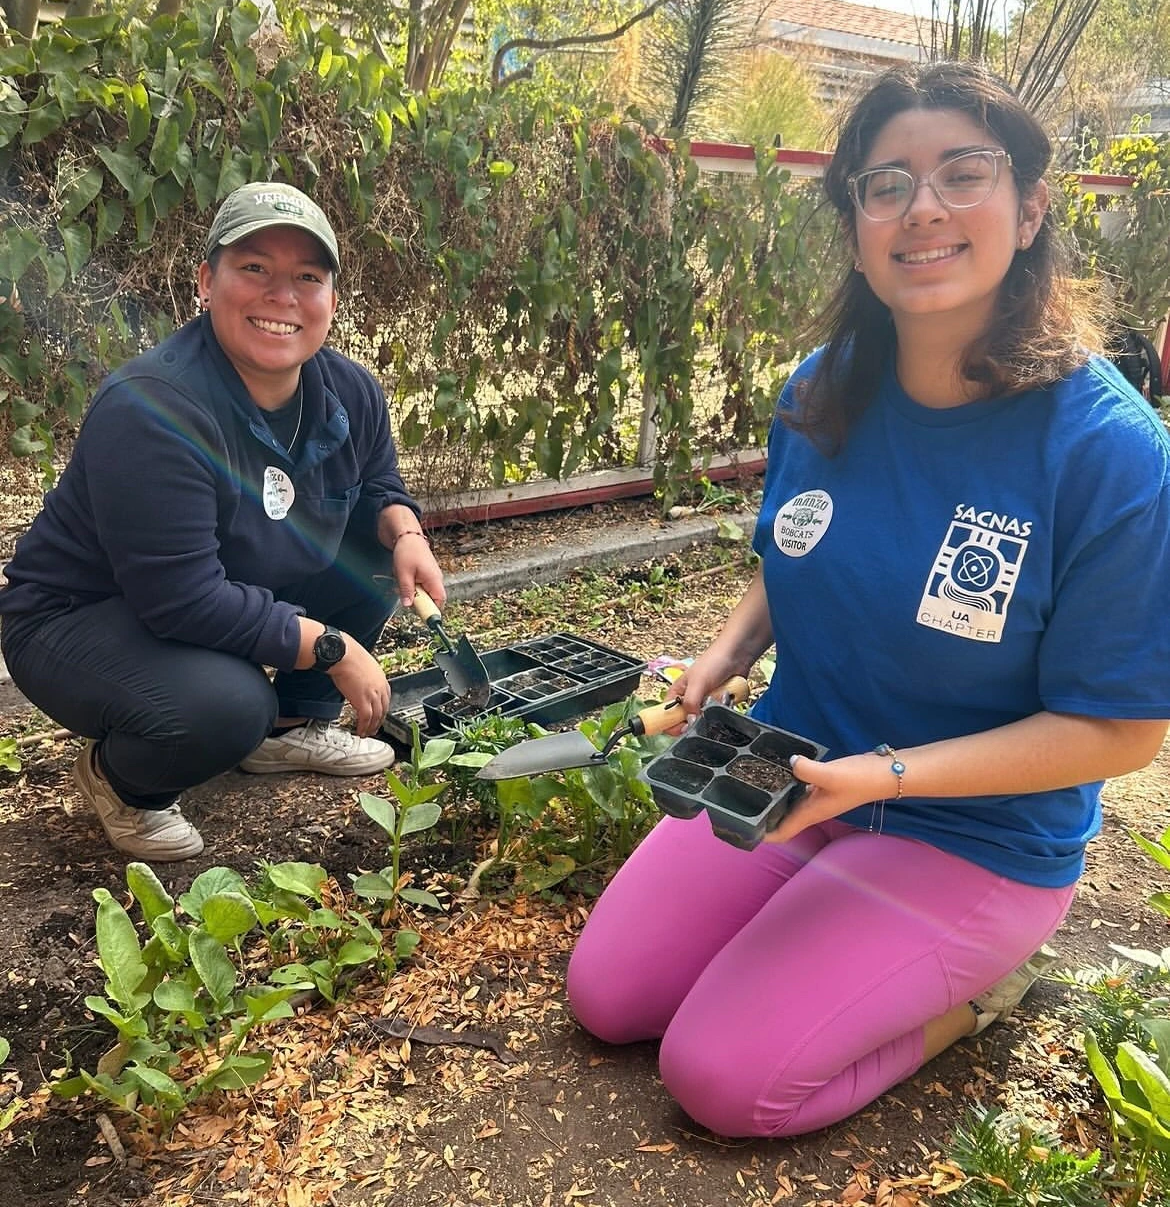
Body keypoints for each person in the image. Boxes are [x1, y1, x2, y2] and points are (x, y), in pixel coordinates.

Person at [566, 62, 1170, 1138]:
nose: (921, 207)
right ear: (855, 222)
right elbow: (796, 548)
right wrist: (724, 652)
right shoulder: (825, 383)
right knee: (608, 1001)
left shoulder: (1110, 453)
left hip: (971, 833)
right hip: (792, 768)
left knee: (721, 1077)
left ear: (1030, 207)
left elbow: (1121, 730)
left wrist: (881, 779)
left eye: (961, 174)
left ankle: (979, 993)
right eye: (884, 184)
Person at [0, 182, 445, 862]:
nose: (282, 296)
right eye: (255, 268)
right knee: (229, 708)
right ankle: (121, 780)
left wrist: (407, 532)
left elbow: (377, 484)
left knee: (376, 551)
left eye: (307, 276)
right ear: (207, 281)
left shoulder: (349, 389)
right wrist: (331, 646)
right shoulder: (153, 407)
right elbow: (179, 598)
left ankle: (288, 727)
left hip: (201, 589)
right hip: (75, 618)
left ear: (330, 299)